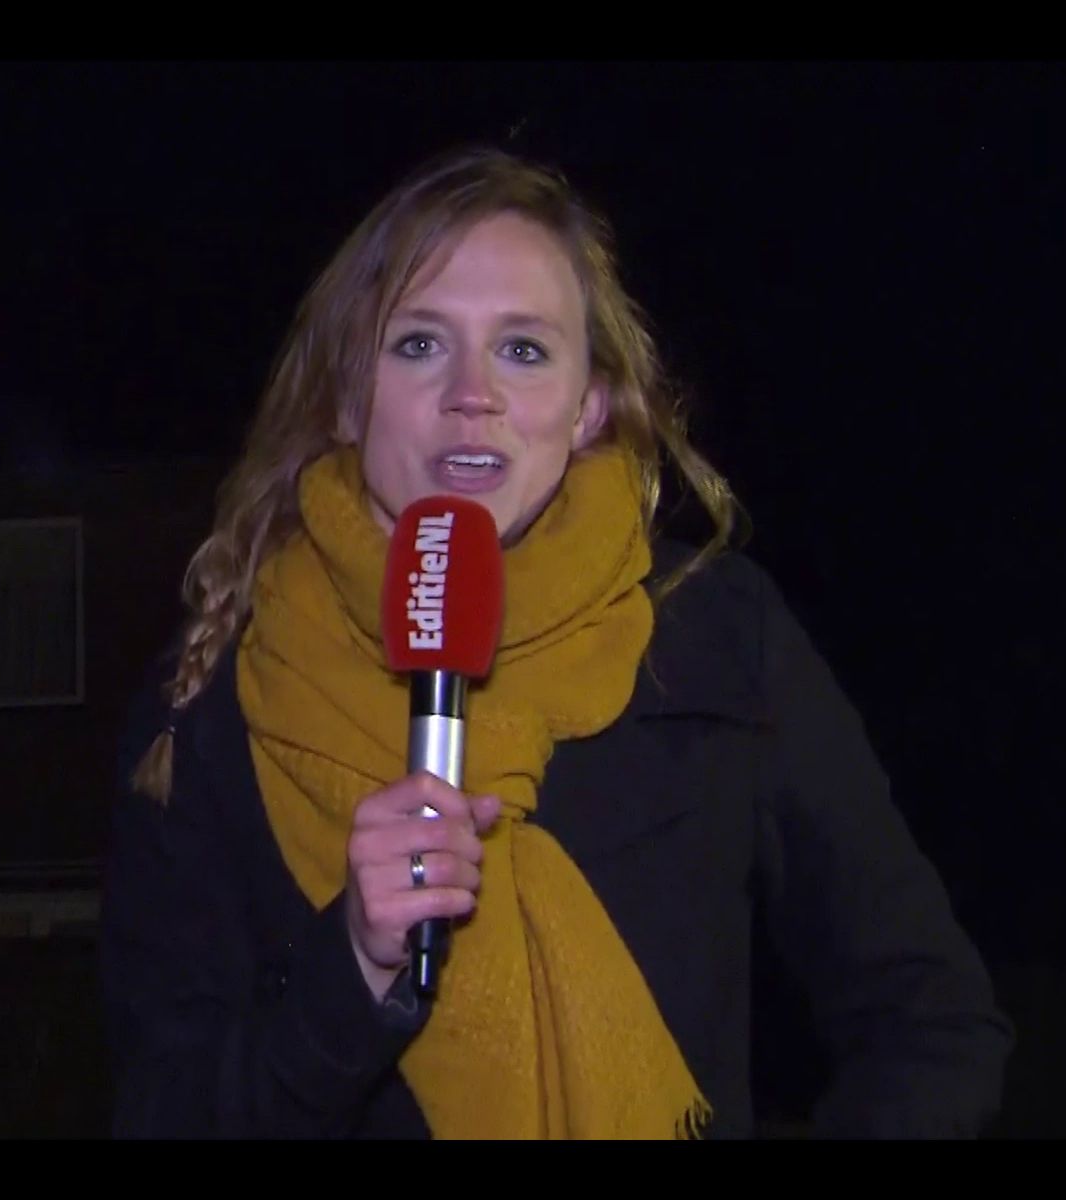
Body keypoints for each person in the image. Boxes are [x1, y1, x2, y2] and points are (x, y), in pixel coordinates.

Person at [97, 145, 1013, 1140]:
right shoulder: (212, 697)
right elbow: (162, 1108)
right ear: (347, 399)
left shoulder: (717, 632)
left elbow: (932, 1022)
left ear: (589, 407)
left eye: (524, 350)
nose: (472, 392)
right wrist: (351, 968)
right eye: (419, 343)